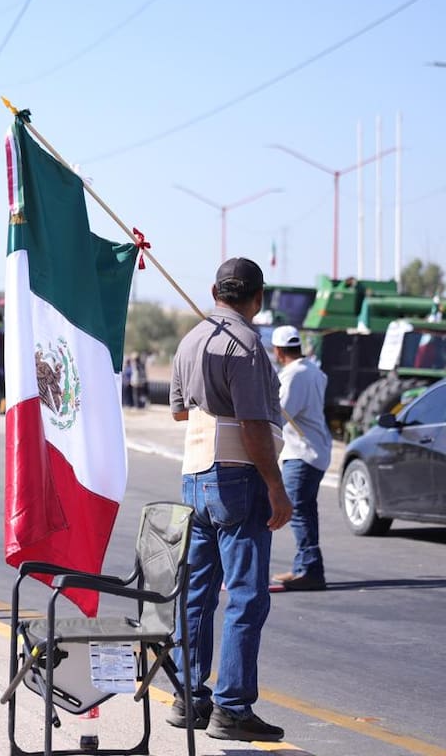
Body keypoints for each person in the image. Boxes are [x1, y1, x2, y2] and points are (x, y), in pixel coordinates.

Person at [167, 257, 292, 742]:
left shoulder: (189, 340)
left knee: (197, 594)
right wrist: (275, 486)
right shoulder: (247, 346)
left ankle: (188, 697)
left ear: (215, 291)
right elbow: (255, 426)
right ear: (257, 299)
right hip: (237, 477)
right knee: (245, 596)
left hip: (194, 478)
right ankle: (233, 707)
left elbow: (180, 412)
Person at [270, 325, 332, 591]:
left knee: (297, 511)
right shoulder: (314, 371)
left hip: (303, 453)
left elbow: (279, 412)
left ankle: (310, 570)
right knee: (304, 510)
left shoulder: (294, 376)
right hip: (315, 449)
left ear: (278, 350)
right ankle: (303, 566)